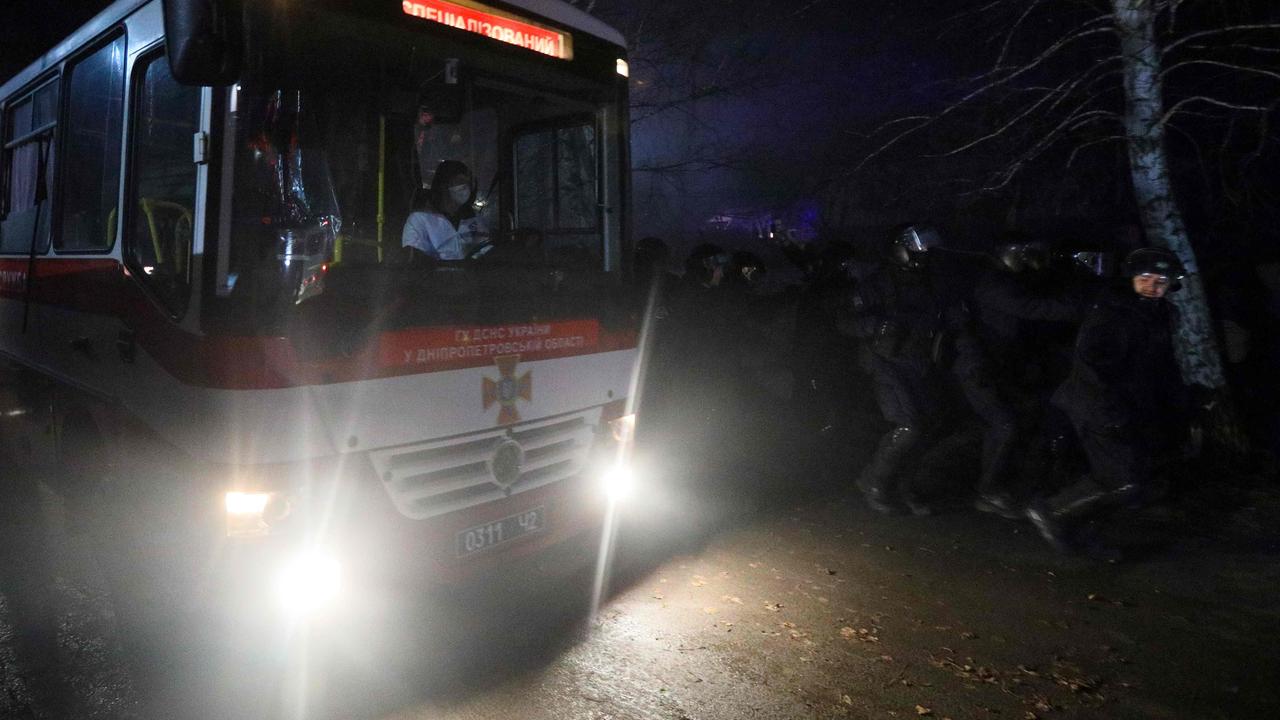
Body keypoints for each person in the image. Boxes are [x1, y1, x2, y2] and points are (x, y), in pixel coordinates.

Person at [1026, 247, 1190, 557]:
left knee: (1128, 479)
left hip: (1131, 407)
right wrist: (1110, 412)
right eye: (1145, 278)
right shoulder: (1111, 311)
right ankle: (1052, 512)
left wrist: (1181, 403)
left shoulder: (1162, 314)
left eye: (1161, 281)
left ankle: (1084, 532)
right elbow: (1092, 365)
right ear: (1130, 278)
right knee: (1124, 482)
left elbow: (1163, 365)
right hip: (1097, 405)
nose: (1153, 286)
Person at [401, 160, 488, 262]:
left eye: (468, 183)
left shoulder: (474, 219)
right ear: (443, 185)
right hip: (436, 277)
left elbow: (486, 252)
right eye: (460, 182)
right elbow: (415, 260)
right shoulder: (419, 220)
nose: (465, 187)